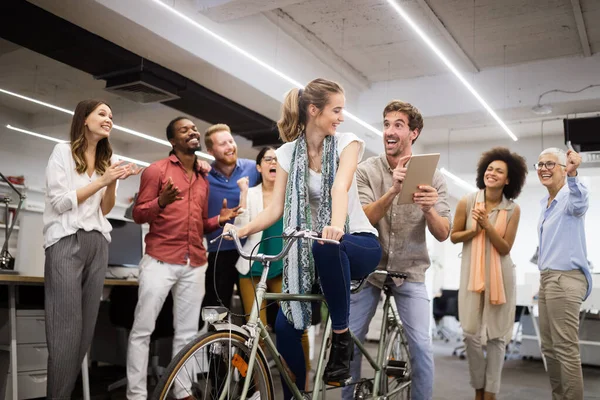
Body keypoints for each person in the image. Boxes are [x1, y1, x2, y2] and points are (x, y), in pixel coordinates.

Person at [224, 78, 381, 397]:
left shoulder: (348, 142)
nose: (341, 117)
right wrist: (240, 230)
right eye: (336, 110)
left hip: (358, 242)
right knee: (283, 328)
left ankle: (341, 339)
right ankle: (296, 395)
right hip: (315, 253)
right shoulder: (286, 154)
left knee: (327, 244)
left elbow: (339, 187)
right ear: (314, 110)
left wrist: (336, 226)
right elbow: (275, 208)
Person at [126, 117, 240, 400]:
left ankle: (182, 390)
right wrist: (161, 201)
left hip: (194, 262)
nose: (192, 132)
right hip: (160, 260)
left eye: (193, 128)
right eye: (183, 130)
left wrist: (218, 220)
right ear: (173, 142)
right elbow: (138, 214)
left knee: (188, 333)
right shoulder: (156, 171)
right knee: (143, 330)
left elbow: (200, 223)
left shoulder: (203, 177)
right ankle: (136, 394)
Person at [345, 100, 451, 400]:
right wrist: (393, 189)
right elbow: (363, 219)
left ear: (413, 133)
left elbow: (443, 233)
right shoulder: (366, 171)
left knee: (421, 345)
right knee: (350, 341)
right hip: (370, 270)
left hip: (411, 270)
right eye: (386, 124)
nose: (389, 131)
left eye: (398, 125)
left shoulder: (434, 177)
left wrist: (429, 210)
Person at [43, 99, 141, 399]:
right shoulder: (62, 152)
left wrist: (111, 182)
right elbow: (60, 202)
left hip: (98, 243)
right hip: (66, 241)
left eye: (111, 115)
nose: (108, 118)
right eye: (102, 113)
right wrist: (104, 180)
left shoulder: (104, 162)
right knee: (65, 336)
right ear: (84, 119)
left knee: (84, 336)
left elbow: (107, 208)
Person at [450, 147, 527, 400]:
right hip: (471, 274)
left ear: (508, 179)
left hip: (501, 277)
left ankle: (491, 393)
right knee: (470, 333)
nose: (492, 173)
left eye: (499, 171)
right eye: (489, 168)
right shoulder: (467, 201)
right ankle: (479, 388)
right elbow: (454, 236)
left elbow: (505, 247)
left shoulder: (512, 210)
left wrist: (486, 225)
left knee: (496, 337)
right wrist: (474, 230)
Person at [535, 147, 592, 400]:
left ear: (562, 168)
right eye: (540, 164)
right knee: (549, 349)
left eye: (550, 164)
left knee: (565, 349)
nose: (544, 168)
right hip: (548, 279)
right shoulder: (545, 203)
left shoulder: (570, 196)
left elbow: (580, 202)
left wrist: (573, 174)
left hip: (565, 278)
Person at [201, 123, 261, 327]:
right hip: (219, 253)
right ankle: (214, 356)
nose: (229, 146)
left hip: (250, 250)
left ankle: (246, 359)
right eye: (222, 143)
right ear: (210, 150)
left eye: (231, 141)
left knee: (251, 315)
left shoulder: (254, 169)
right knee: (214, 312)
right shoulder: (203, 176)